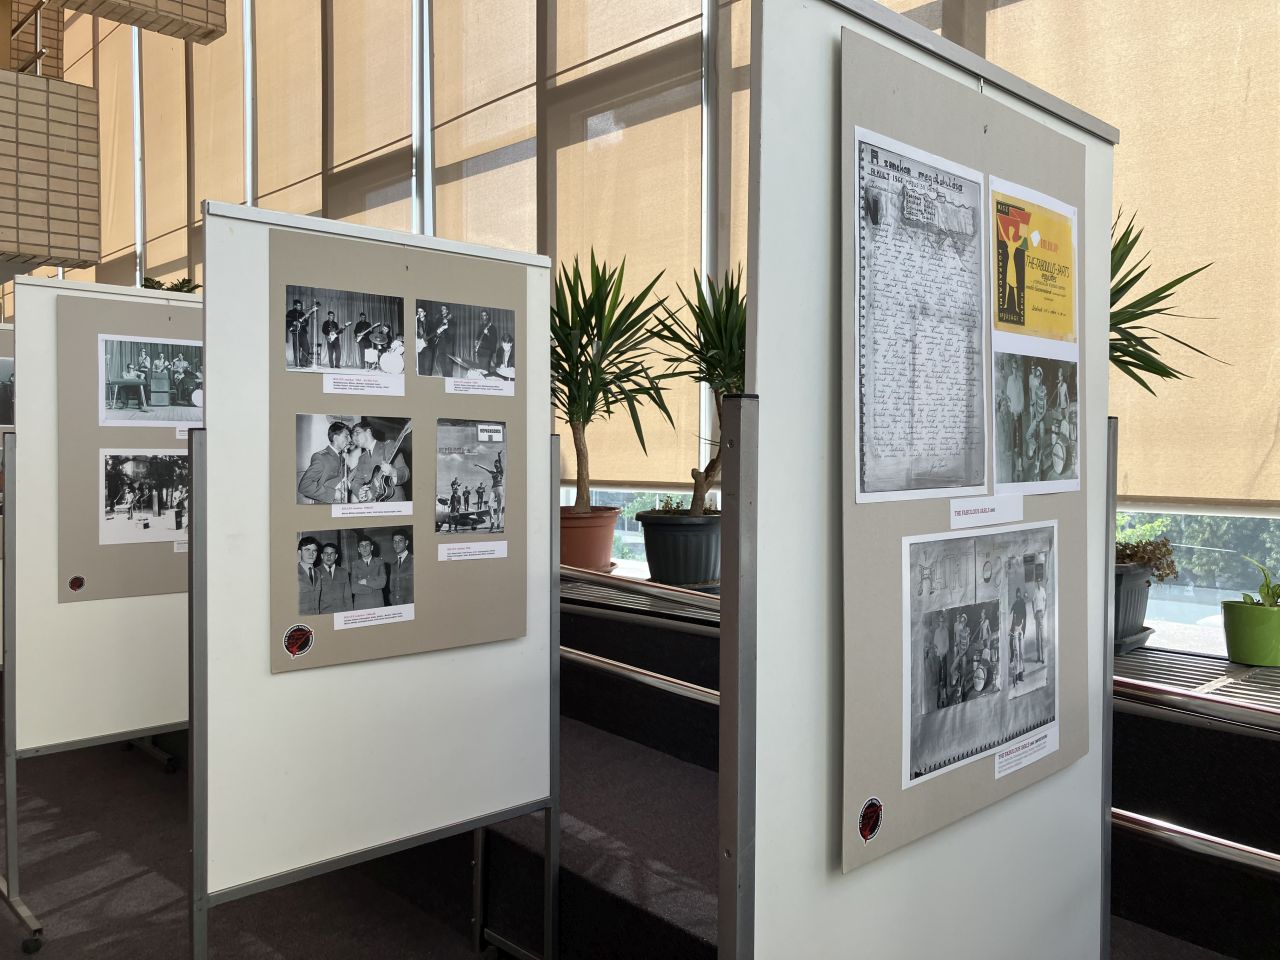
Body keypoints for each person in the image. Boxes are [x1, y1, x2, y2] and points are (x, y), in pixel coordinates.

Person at [348, 421, 411, 503]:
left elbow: (406, 473)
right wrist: (359, 491)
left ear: (368, 431)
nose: (354, 438)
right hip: (373, 504)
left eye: (357, 433)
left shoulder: (389, 445)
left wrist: (393, 472)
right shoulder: (361, 458)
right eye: (352, 436)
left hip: (393, 501)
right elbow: (356, 482)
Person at [298, 421, 355, 504]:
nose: (350, 440)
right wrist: (334, 494)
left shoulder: (341, 458)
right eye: (346, 436)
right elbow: (305, 486)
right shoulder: (321, 457)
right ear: (335, 438)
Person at [349, 534, 387, 610]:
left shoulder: (379, 562)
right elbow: (353, 588)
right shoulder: (355, 564)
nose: (364, 548)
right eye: (361, 546)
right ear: (359, 549)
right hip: (360, 605)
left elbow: (382, 582)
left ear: (371, 547)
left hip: (377, 603)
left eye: (367, 545)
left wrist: (366, 582)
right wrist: (372, 586)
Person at [316, 542, 352, 613]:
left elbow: (348, 597)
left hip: (340, 612)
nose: (329, 556)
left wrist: (349, 613)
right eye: (326, 553)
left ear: (336, 556)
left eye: (332, 553)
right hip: (323, 613)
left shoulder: (343, 572)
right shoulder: (316, 572)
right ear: (322, 556)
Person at [419, 304, 453, 376]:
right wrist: (437, 334)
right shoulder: (438, 319)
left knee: (448, 359)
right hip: (440, 341)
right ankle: (444, 375)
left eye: (444, 309)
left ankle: (449, 376)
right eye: (441, 309)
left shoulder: (451, 319)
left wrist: (447, 323)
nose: (442, 310)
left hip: (448, 342)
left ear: (447, 310)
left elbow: (452, 331)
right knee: (441, 359)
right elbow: (435, 330)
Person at [387, 529, 413, 606]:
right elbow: (392, 588)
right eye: (394, 541)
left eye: (400, 541)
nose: (397, 544)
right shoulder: (393, 565)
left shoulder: (414, 561)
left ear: (406, 542)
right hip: (396, 605)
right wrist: (392, 601)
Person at [297, 536, 322, 615]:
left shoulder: (318, 573)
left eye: (314, 551)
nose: (311, 554)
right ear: (299, 552)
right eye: (307, 550)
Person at [286, 298, 311, 366]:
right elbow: (287, 321)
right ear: (295, 306)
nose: (300, 307)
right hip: (295, 332)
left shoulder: (302, 313)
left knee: (306, 347)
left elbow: (306, 324)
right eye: (298, 305)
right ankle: (297, 363)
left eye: (300, 305)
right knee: (296, 348)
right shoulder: (290, 312)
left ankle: (303, 363)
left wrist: (306, 319)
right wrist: (293, 322)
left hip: (303, 332)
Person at [1010, 587, 1027, 683]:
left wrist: (1023, 631)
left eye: (1019, 595)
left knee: (1021, 653)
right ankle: (1016, 676)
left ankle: (1020, 675)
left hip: (1021, 630)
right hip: (1015, 631)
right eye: (1017, 595)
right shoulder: (1015, 605)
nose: (1018, 596)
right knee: (1016, 653)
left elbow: (1025, 618)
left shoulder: (1023, 604)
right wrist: (1011, 631)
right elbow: (1012, 620)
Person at [1032, 578, 1048, 662]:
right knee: (1037, 638)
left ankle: (1043, 657)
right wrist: (1033, 613)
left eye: (1039, 581)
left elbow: (1046, 600)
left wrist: (1044, 611)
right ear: (1036, 583)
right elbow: (1032, 601)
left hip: (1041, 613)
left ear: (1040, 582)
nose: (1038, 583)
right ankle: (1038, 657)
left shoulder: (1043, 590)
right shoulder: (1035, 591)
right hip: (1036, 614)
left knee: (1042, 637)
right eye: (1037, 582)